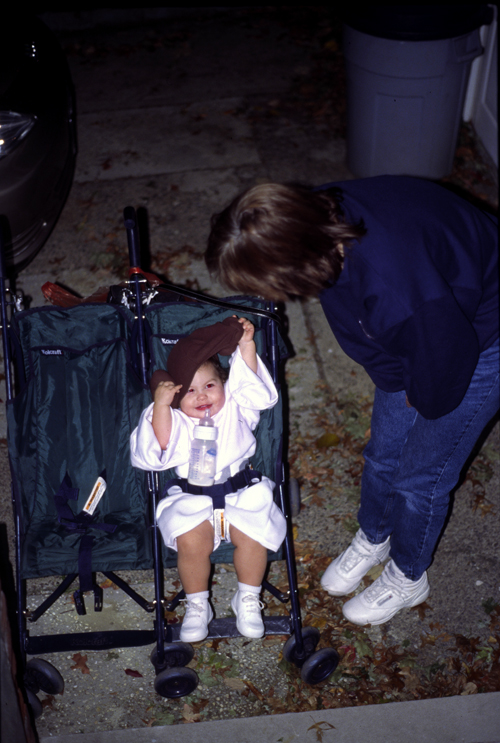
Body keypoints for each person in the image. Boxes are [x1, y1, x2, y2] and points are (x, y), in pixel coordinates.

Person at [205, 176, 499, 626]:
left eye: (268, 284)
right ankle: (375, 535)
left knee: (422, 478)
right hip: (432, 311)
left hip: (482, 332)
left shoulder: (398, 284)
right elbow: (356, 323)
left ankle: (408, 574)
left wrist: (421, 400)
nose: (267, 295)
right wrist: (395, 380)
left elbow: (443, 367)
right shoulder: (318, 223)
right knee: (383, 452)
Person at [130, 315, 286, 641]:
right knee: (190, 542)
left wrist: (246, 345)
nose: (201, 396)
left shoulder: (236, 406)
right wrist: (160, 406)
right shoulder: (175, 421)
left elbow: (256, 393)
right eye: (190, 391)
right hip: (192, 496)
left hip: (240, 489)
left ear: (225, 385)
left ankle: (247, 597)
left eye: (210, 386)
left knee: (254, 535)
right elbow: (152, 452)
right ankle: (198, 604)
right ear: (175, 397)